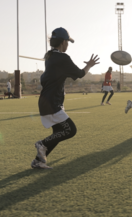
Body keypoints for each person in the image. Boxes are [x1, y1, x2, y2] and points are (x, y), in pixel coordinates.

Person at [31, 27, 99, 169]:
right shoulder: (62, 58)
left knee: (58, 132)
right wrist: (89, 66)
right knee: (70, 130)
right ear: (63, 42)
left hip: (47, 101)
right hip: (52, 103)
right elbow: (80, 74)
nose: (68, 45)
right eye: (67, 42)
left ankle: (39, 161)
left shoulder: (49, 56)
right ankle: (42, 144)